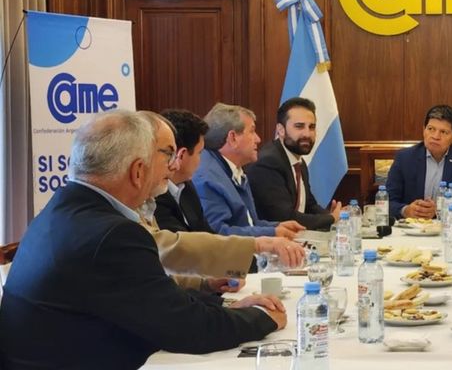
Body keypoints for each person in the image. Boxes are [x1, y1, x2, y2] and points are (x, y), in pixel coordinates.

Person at [0, 110, 288, 369]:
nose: (171, 167)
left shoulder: (62, 210)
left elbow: (154, 300)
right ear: (138, 171)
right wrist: (263, 317)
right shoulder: (112, 235)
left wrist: (223, 307)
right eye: (166, 156)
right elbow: (188, 329)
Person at [142, 110, 303, 279]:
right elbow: (181, 250)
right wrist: (262, 243)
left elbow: (208, 235)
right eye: (199, 153)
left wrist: (274, 231)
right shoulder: (168, 192)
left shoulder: (186, 187)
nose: (258, 139)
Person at [192, 103, 305, 238]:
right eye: (252, 131)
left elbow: (249, 223)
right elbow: (218, 234)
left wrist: (277, 226)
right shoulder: (207, 178)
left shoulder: (233, 170)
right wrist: (272, 233)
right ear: (233, 138)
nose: (258, 139)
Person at [246, 97, 341, 231]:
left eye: (312, 127)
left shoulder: (298, 161)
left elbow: (309, 205)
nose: (307, 134)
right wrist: (331, 219)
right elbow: (285, 217)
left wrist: (334, 216)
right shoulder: (268, 163)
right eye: (299, 126)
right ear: (281, 130)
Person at [386, 104, 452, 220]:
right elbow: (387, 201)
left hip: (448, 225)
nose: (435, 136)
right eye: (431, 129)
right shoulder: (405, 157)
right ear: (423, 130)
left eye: (443, 132)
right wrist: (406, 210)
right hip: (413, 227)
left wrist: (437, 211)